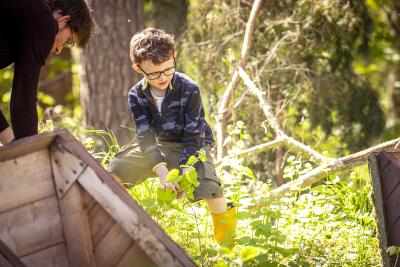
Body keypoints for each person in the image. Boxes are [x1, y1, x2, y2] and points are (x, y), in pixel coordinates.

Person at [109, 28, 237, 246]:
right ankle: (119, 235)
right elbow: (145, 136)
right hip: (160, 146)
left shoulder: (189, 88)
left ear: (173, 58)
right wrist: (161, 172)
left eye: (168, 70)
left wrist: (186, 169)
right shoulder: (136, 95)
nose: (163, 77)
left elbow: (194, 135)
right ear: (138, 69)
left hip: (194, 146)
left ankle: (228, 246)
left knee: (211, 189)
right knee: (114, 172)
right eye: (154, 73)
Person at [0, 0, 96, 144]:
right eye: (68, 41)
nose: (58, 50)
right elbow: (24, 98)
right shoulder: (45, 25)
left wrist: (12, 143)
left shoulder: (21, 22)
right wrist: (30, 154)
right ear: (64, 20)